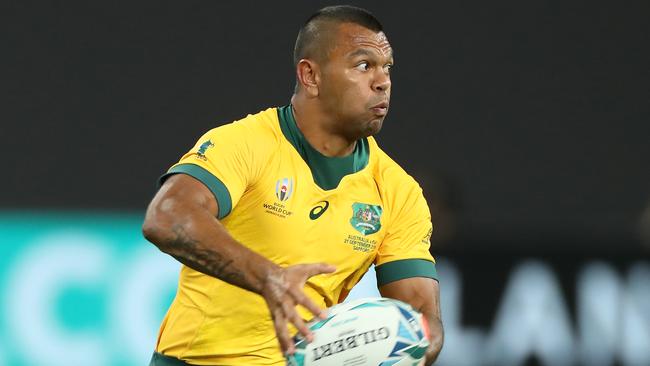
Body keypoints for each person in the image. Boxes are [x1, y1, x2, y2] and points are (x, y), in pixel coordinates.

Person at [142, 5, 443, 366]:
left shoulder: (398, 192)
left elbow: (422, 318)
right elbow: (167, 216)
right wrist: (268, 278)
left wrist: (413, 351)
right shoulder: (247, 143)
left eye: (387, 67)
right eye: (364, 65)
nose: (382, 81)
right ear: (310, 76)